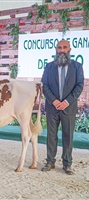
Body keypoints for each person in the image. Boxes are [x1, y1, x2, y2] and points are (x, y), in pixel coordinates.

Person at [41, 39, 84, 175]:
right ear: (56, 50)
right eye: (59, 47)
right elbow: (45, 85)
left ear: (69, 49)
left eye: (64, 47)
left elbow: (79, 86)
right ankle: (50, 161)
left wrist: (66, 101)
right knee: (51, 136)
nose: (61, 50)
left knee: (68, 136)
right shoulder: (49, 67)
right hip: (52, 107)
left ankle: (67, 164)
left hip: (68, 108)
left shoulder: (77, 66)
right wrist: (54, 101)